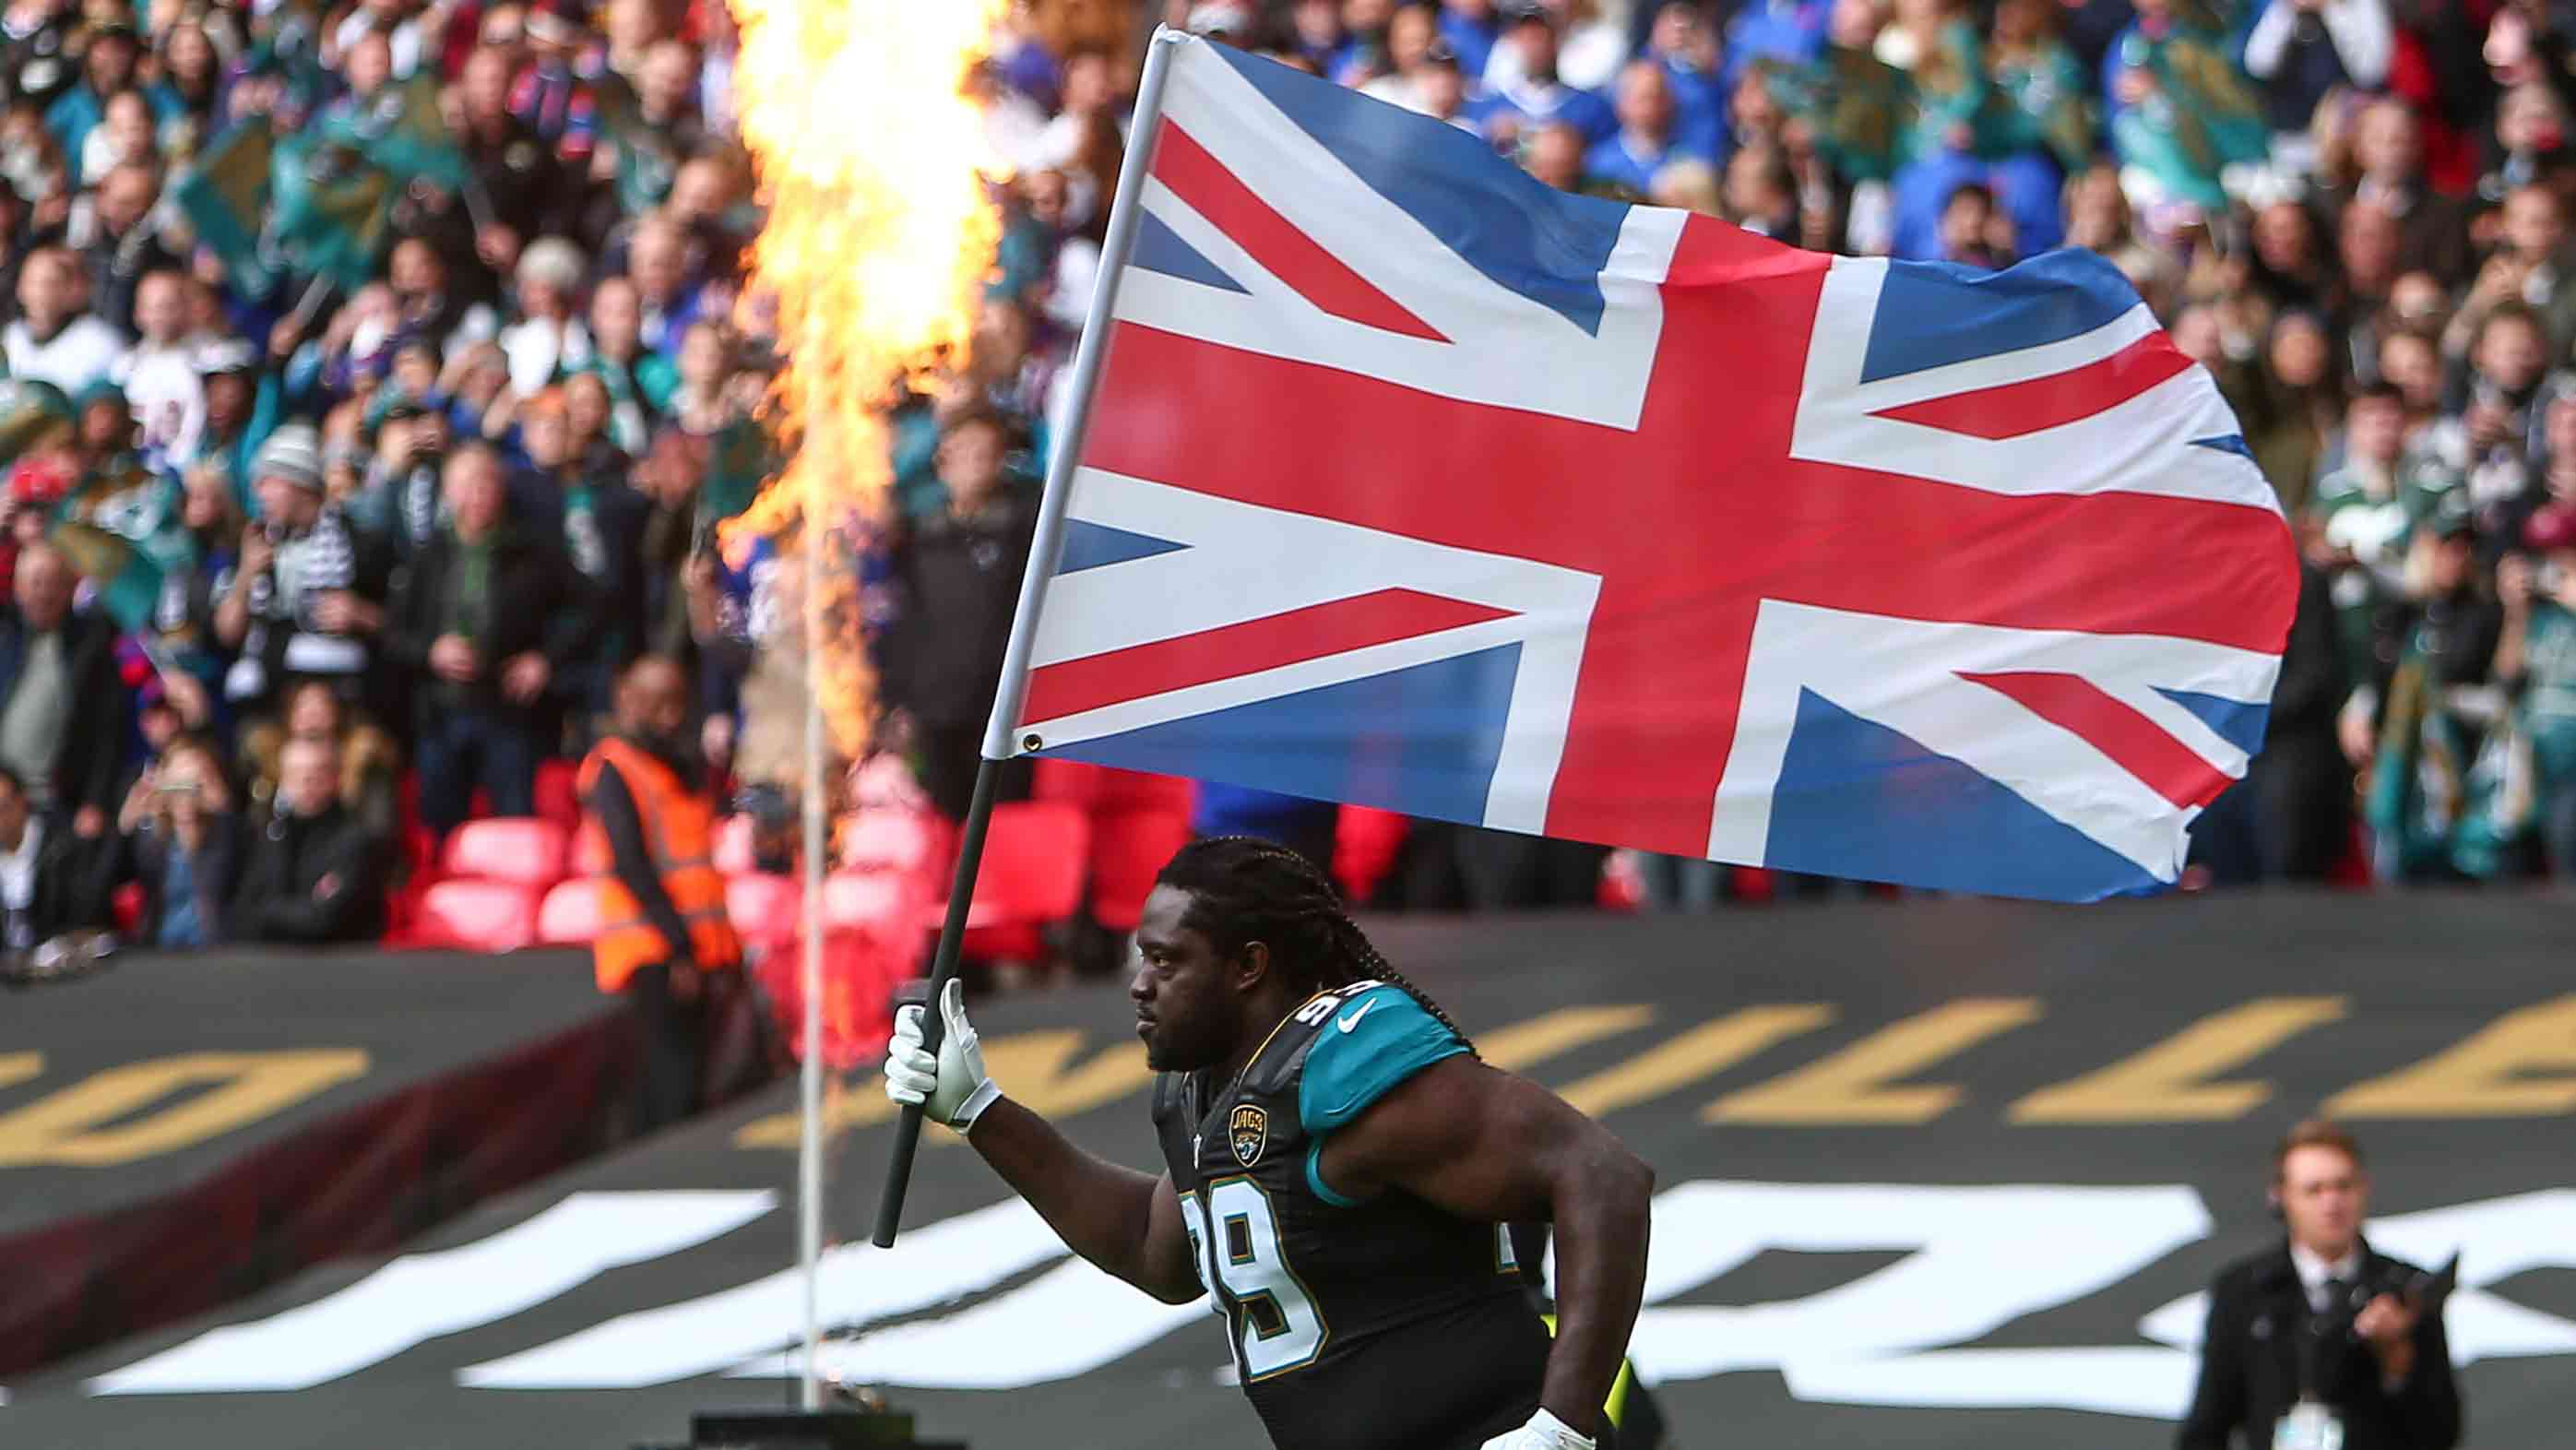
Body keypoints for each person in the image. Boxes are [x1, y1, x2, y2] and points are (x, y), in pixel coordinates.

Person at [883, 837, 1655, 1450]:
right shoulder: (1202, 1089)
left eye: (1166, 960)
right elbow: (1156, 1250)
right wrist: (981, 1110)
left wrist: (1560, 1427)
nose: (1138, 985)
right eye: (1139, 957)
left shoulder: (1342, 1063)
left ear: (1250, 965)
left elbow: (1603, 1176)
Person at [2177, 1119, 2461, 1450]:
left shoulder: (2404, 1290)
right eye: (2314, 1190)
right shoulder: (2244, 1291)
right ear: (2281, 1197)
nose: (2331, 1203)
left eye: (2343, 1186)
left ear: (2363, 1188)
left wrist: (2396, 1358)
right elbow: (2208, 1424)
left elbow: (2442, 1433)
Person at [382, 444, 588, 841]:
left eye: (486, 482)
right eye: (465, 484)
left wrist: (544, 659)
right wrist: (430, 652)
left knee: (513, 828)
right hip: (440, 713)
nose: (476, 493)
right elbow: (393, 634)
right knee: (438, 831)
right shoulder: (427, 556)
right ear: (447, 492)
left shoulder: (534, 552)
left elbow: (589, 610)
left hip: (508, 711)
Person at [575, 653, 742, 1127]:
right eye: (658, 703)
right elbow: (631, 865)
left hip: (699, 946)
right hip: (658, 950)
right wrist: (678, 949)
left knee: (698, 1083)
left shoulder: (674, 764)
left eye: (677, 703)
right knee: (674, 1085)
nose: (671, 716)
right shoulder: (613, 768)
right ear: (630, 701)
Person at [228, 734, 387, 945]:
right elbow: (242, 913)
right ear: (282, 780)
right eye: (295, 773)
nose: (306, 782)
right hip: (271, 963)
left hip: (341, 964)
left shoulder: (355, 839)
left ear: (335, 779)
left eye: (316, 773)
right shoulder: (269, 835)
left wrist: (267, 910)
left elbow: (323, 919)